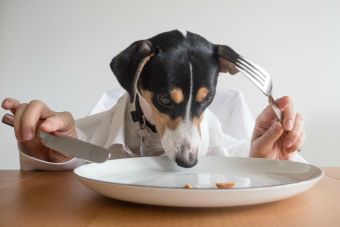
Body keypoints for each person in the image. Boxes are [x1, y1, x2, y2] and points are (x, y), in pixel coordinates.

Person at [1, 87, 305, 170]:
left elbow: (243, 165)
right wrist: (56, 156)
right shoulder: (85, 137)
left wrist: (268, 168)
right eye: (163, 101)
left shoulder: (230, 142)